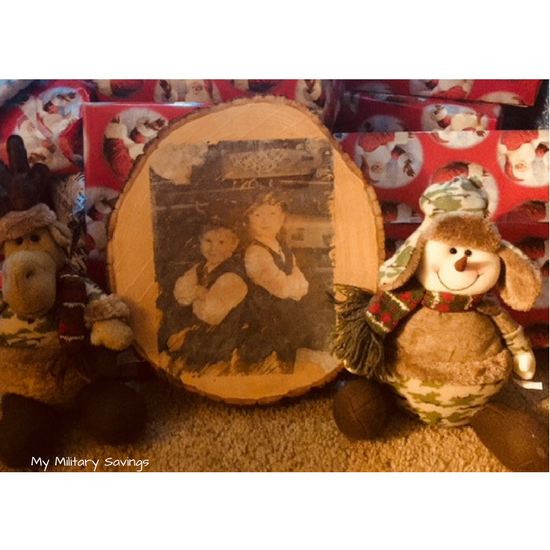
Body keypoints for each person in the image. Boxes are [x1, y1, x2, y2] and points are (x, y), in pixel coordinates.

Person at [240, 193, 309, 367]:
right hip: (264, 324)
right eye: (258, 215)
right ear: (248, 219)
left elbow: (302, 283)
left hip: (284, 322)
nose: (265, 221)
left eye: (272, 214)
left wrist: (294, 284)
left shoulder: (282, 247)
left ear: (282, 217)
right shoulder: (255, 252)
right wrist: (294, 284)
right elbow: (283, 288)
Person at [167, 223, 248, 369]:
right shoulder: (199, 269)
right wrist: (199, 292)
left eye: (221, 242)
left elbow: (211, 315)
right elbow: (181, 294)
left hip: (220, 342)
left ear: (234, 245)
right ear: (200, 241)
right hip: (197, 336)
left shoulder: (232, 277)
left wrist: (194, 293)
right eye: (208, 241)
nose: (213, 248)